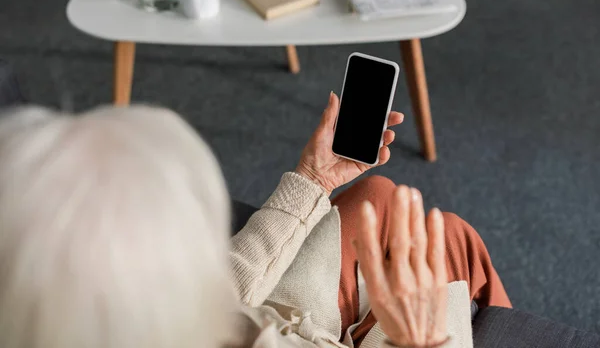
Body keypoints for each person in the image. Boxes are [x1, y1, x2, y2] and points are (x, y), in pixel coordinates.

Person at [0, 98, 510, 348]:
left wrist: (312, 178)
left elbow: (223, 290)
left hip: (273, 323)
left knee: (378, 196)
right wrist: (419, 341)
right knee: (448, 240)